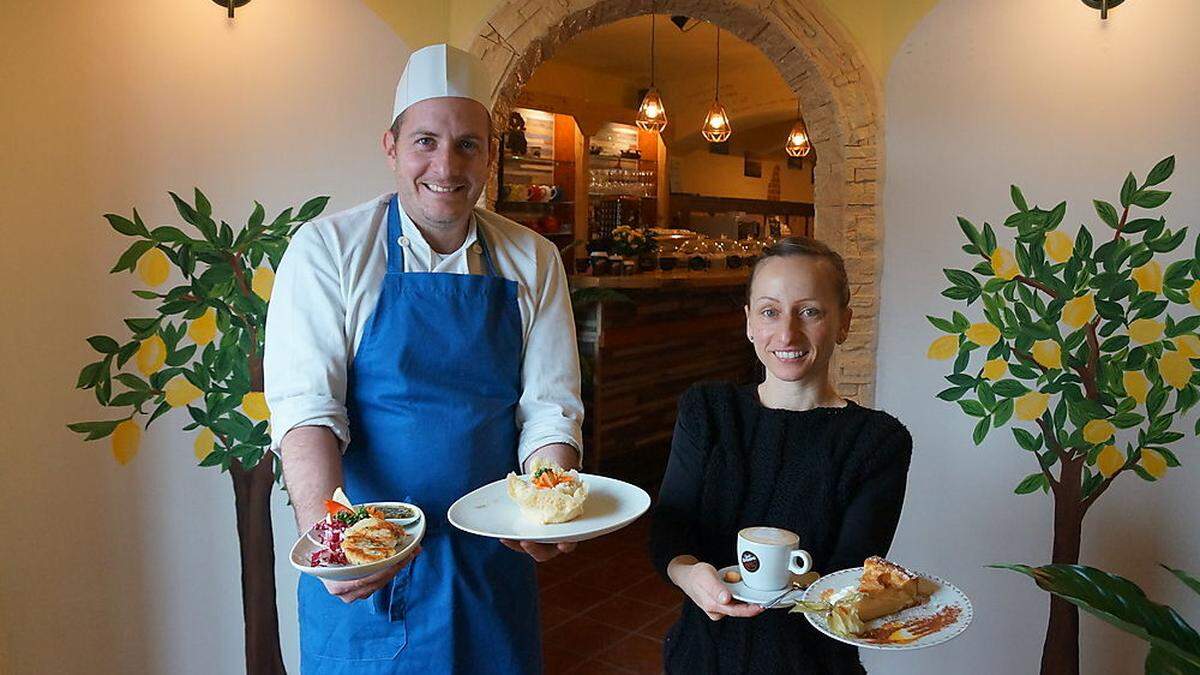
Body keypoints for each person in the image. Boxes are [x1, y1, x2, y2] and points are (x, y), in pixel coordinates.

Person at [264, 44, 584, 674]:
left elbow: (549, 410)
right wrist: (339, 542)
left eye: (468, 144)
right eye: (426, 141)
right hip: (372, 560)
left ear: (490, 154)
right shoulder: (329, 248)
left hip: (493, 555)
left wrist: (550, 503)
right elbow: (307, 411)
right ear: (391, 145)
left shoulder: (533, 259)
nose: (446, 164)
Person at [650, 237, 912, 674]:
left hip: (813, 665)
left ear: (844, 323)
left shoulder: (877, 441)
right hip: (701, 658)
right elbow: (670, 530)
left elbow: (848, 574)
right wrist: (689, 575)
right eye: (770, 312)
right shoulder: (707, 411)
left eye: (810, 311)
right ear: (749, 322)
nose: (787, 333)